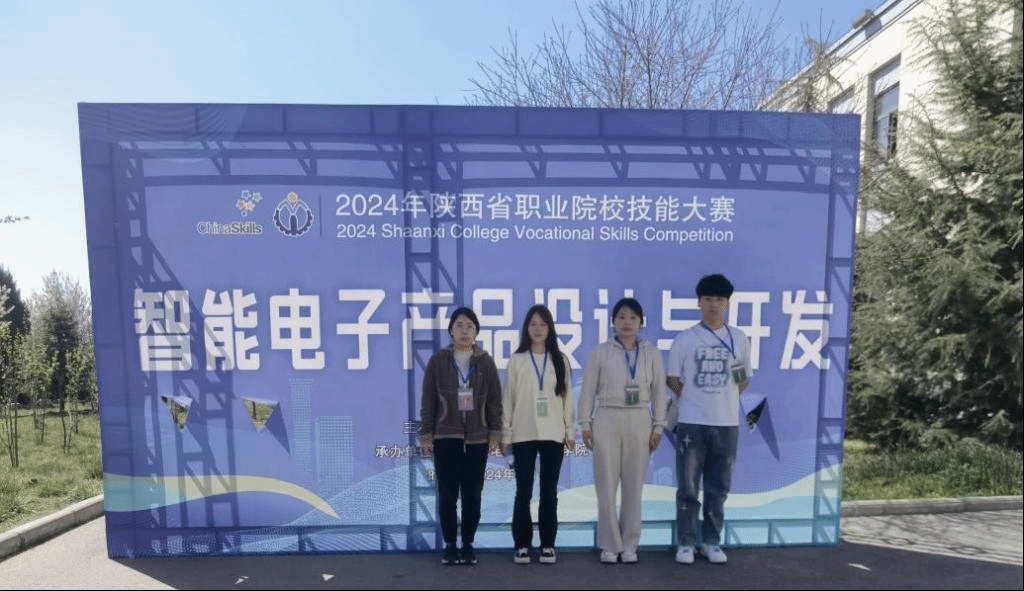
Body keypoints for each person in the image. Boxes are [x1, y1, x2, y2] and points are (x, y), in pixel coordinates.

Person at [666, 274, 753, 566]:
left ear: (727, 303)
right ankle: (686, 542)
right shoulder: (685, 339)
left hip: (726, 423)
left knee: (719, 487)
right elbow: (672, 379)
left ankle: (712, 542)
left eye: (719, 299)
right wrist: (694, 398)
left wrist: (722, 398)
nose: (713, 304)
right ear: (699, 303)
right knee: (688, 486)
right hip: (692, 422)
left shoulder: (739, 338)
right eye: (708, 299)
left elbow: (743, 379)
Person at [578, 297, 667, 564]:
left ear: (641, 322)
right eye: (621, 317)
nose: (627, 323)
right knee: (605, 485)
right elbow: (587, 390)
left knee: (634, 486)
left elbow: (659, 392)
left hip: (640, 418)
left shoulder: (651, 353)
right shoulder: (600, 352)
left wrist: (658, 426)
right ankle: (609, 544)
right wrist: (585, 423)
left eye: (632, 318)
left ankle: (630, 544)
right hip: (607, 417)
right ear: (613, 322)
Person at [419, 306, 502, 566]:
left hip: (477, 440)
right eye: (459, 325)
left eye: (470, 326)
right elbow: (428, 400)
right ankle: (450, 545)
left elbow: (495, 401)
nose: (464, 331)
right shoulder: (438, 361)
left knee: (473, 496)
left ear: (476, 332)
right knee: (447, 496)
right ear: (451, 331)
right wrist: (426, 434)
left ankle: (467, 544)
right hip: (446, 438)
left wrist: (496, 432)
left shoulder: (486, 362)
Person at [502, 304, 575, 565]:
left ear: (550, 328)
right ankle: (521, 544)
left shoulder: (560, 360)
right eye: (533, 324)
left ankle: (547, 544)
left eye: (543, 324)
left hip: (553, 434)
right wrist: (506, 433)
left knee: (549, 492)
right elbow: (508, 399)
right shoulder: (517, 360)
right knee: (523, 492)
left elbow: (567, 399)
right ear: (526, 328)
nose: (537, 329)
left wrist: (569, 430)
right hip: (523, 434)